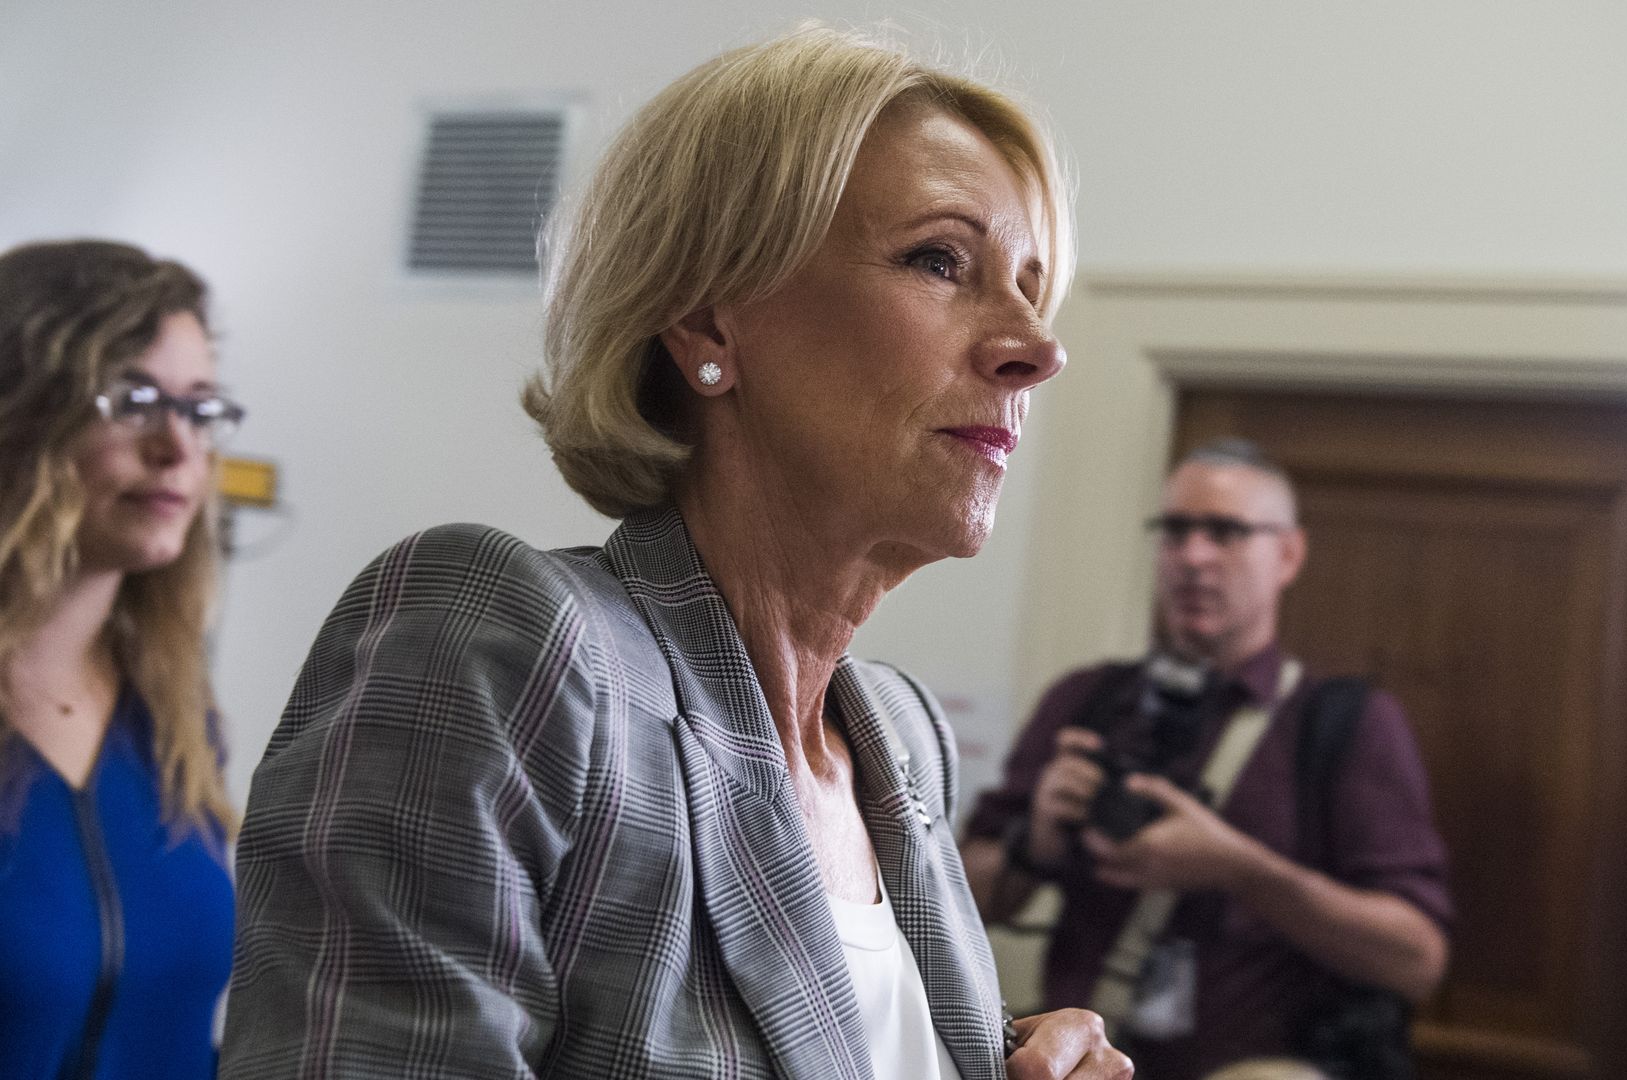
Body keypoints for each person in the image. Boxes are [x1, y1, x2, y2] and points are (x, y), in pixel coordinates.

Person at [220, 26, 1128, 1080]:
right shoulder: (499, 643)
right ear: (707, 322)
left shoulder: (900, 740)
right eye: (941, 261)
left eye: (1030, 285)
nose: (1038, 349)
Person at [962, 439, 1451, 1080]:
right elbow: (952, 901)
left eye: (1225, 532)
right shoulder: (1088, 701)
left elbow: (1416, 961)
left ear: (1289, 554)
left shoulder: (1346, 724)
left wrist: (1239, 869)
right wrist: (1038, 842)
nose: (1193, 557)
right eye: (1175, 531)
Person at [0, 240, 245, 1079]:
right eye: (135, 401)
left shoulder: (174, 718)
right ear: (23, 412)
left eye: (201, 410)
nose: (178, 448)